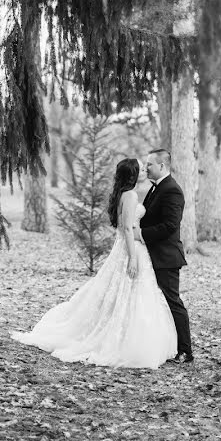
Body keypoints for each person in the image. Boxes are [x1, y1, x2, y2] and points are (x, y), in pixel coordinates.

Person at [11, 158, 177, 369]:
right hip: (130, 249)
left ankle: (125, 331)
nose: (144, 170)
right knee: (127, 290)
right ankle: (121, 338)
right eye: (141, 168)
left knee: (123, 293)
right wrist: (133, 257)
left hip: (128, 247)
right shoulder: (130, 195)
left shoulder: (125, 194)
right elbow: (127, 228)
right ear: (134, 174)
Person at [134, 148, 193, 363]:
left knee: (172, 302)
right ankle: (165, 346)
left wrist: (140, 234)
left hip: (166, 257)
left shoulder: (172, 190)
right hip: (152, 255)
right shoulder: (155, 188)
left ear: (162, 166)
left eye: (150, 164)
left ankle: (185, 351)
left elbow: (170, 226)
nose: (146, 167)